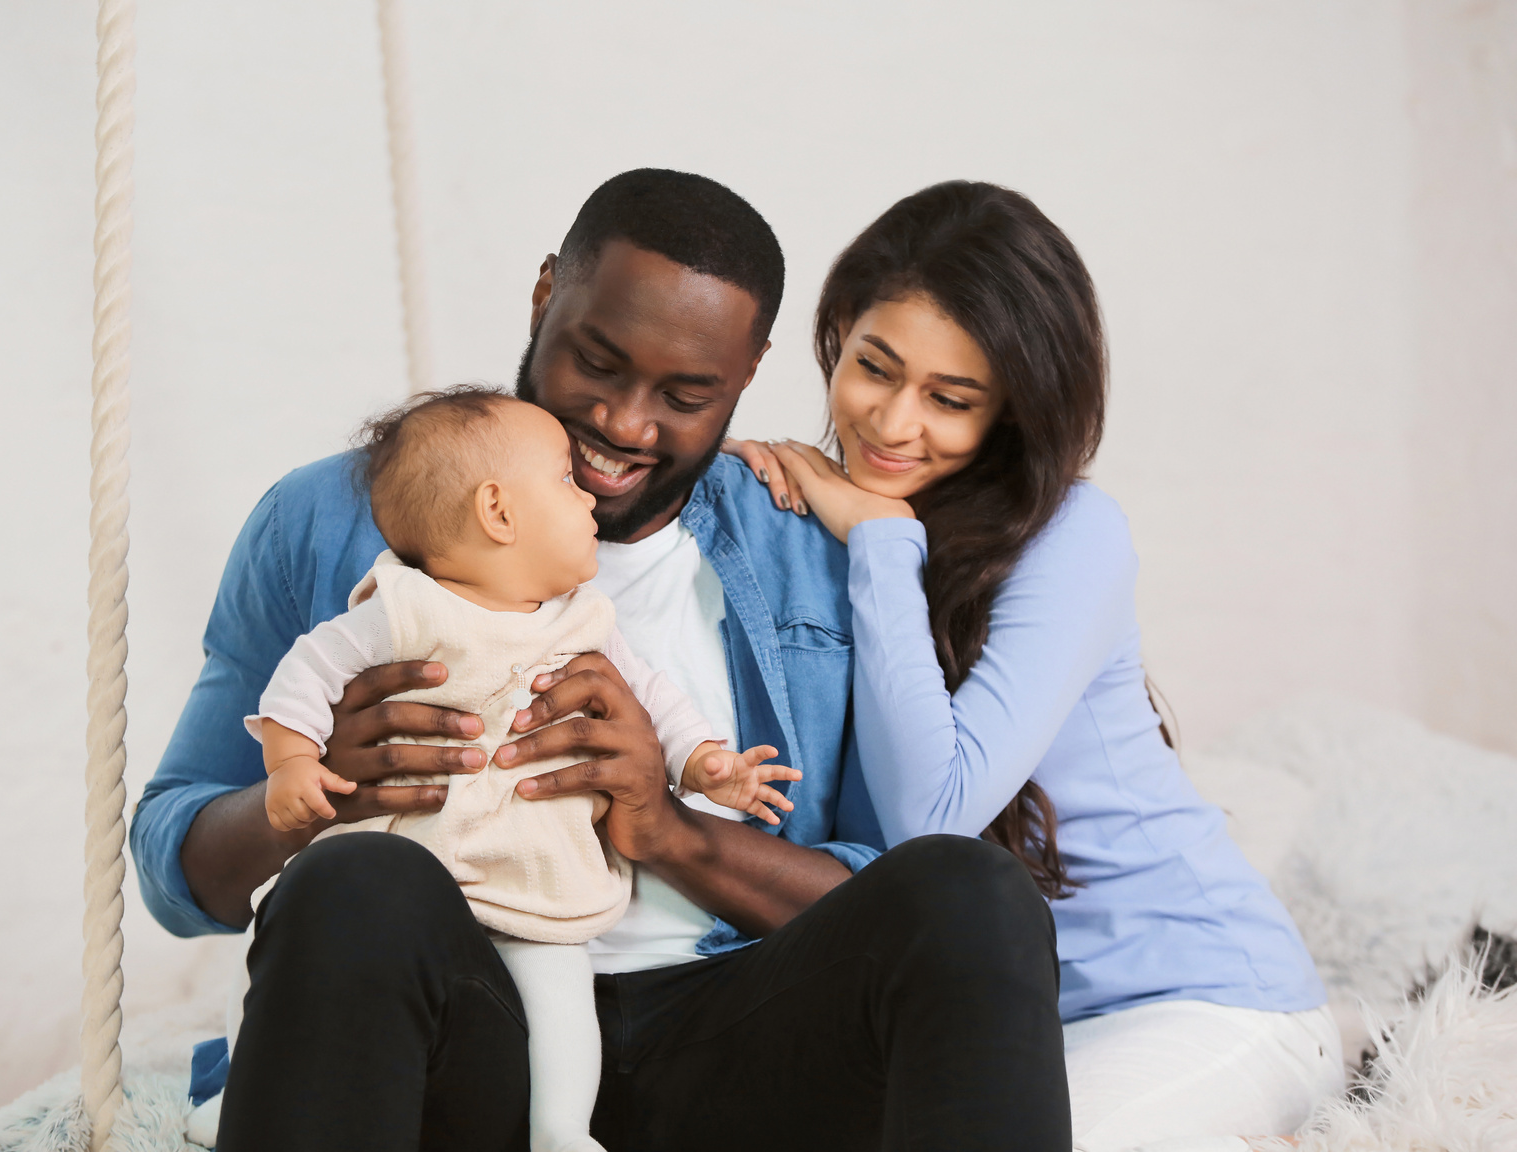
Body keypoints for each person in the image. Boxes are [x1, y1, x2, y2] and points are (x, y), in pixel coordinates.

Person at [130, 168, 1071, 1152]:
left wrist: (669, 829)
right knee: (352, 879)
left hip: (738, 1038)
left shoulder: (811, 547)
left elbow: (887, 889)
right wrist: (323, 794)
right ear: (546, 295)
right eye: (599, 361)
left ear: (747, 374)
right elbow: (175, 869)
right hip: (477, 1032)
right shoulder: (329, 517)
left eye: (686, 393)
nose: (625, 423)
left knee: (976, 892)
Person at [726, 179, 1343, 1152]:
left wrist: (881, 539)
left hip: (1204, 1005)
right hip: (989, 1031)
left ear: (1012, 412)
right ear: (836, 332)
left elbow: (934, 817)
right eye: (874, 368)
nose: (891, 424)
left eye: (950, 399)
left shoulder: (1074, 535)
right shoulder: (796, 505)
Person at [234, 388, 797, 1152]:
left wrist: (701, 761)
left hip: (536, 882)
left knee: (561, 998)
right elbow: (305, 675)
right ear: (498, 513)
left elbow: (654, 700)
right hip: (416, 888)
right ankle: (241, 1085)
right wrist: (292, 762)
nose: (588, 495)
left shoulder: (582, 616)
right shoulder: (408, 608)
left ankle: (561, 1131)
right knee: (320, 959)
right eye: (567, 480)